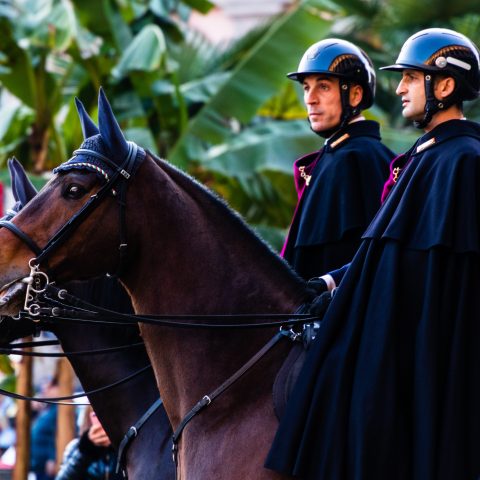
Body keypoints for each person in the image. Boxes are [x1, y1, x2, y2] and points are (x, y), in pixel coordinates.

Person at [265, 28, 480, 479]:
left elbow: (442, 283)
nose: (399, 88)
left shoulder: (463, 161)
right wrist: (328, 283)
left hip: (420, 358)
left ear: (443, 86)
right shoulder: (427, 156)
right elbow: (379, 254)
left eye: (411, 78)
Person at [281, 38, 392, 282]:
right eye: (306, 88)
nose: (310, 99)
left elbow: (381, 256)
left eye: (323, 87)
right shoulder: (333, 155)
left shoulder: (363, 157)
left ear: (355, 94)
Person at [55, 406, 122, 480]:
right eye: (97, 416)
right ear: (89, 418)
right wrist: (86, 450)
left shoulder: (122, 447)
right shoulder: (76, 446)